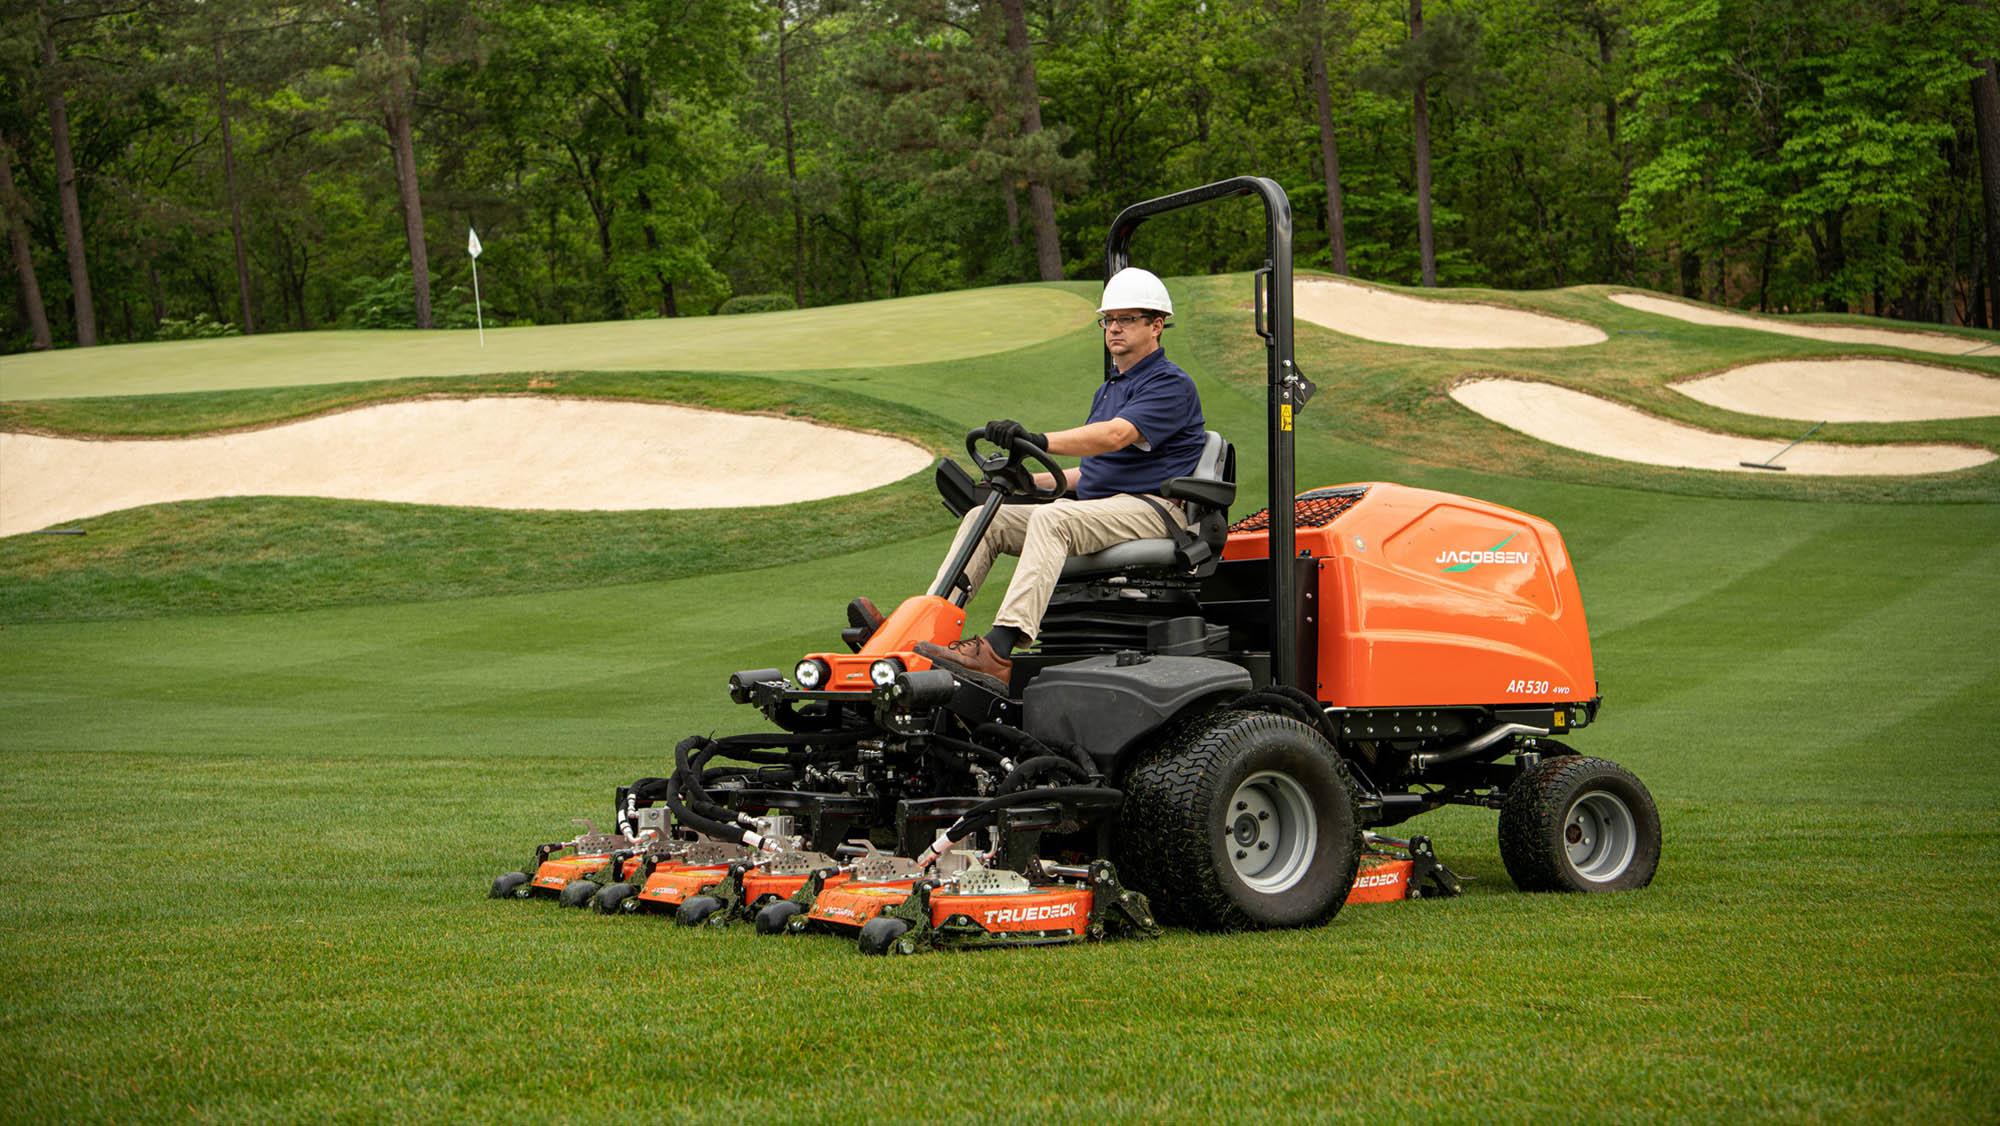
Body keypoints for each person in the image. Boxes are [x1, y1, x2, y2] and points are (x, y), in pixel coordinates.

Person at [912, 266, 1205, 691]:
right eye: (1109, 320)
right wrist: (1027, 483)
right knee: (985, 517)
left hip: (1155, 509)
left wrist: (1038, 439)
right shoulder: (1109, 389)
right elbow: (1090, 473)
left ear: (1156, 325)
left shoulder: (1171, 384)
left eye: (1126, 319)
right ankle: (926, 626)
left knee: (1055, 519)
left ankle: (997, 649)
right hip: (1104, 508)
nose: (1114, 328)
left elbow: (1114, 435)